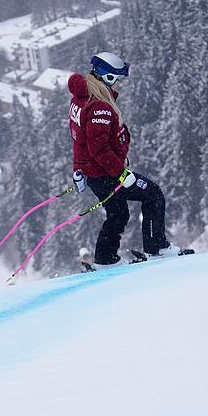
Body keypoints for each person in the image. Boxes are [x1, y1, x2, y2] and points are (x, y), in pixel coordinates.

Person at [68, 52, 181, 269]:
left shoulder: (80, 99)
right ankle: (156, 247)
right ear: (106, 77)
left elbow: (79, 140)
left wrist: (79, 170)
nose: (117, 83)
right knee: (153, 194)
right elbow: (98, 148)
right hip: (106, 173)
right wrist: (121, 174)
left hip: (94, 173)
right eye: (116, 78)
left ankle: (105, 259)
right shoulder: (99, 106)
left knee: (118, 214)